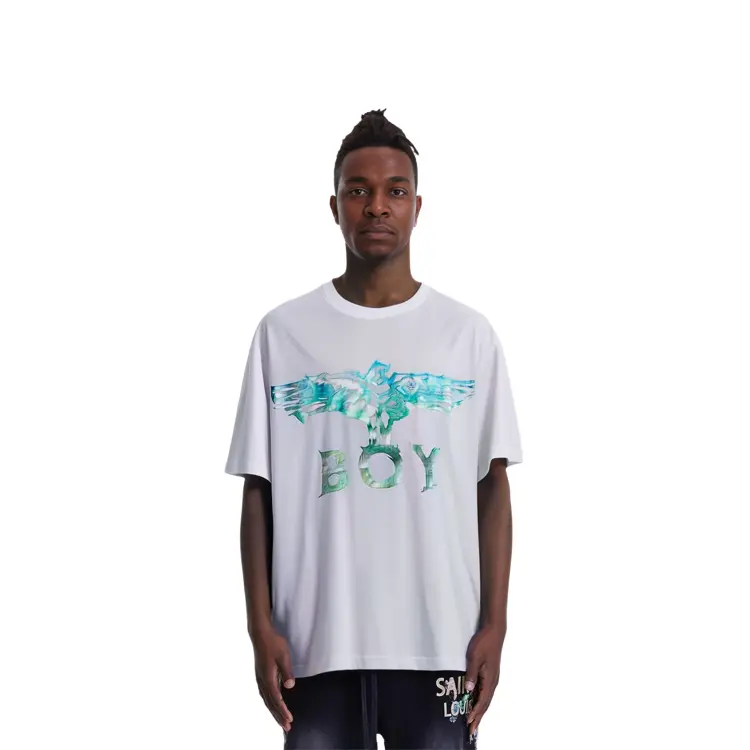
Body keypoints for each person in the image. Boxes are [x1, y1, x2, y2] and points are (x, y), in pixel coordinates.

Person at [225, 109, 523, 749]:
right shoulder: (283, 333)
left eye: (395, 190)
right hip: (315, 646)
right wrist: (259, 626)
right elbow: (258, 492)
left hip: (442, 643)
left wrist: (495, 625)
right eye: (358, 190)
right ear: (334, 207)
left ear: (418, 207)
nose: (377, 206)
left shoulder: (466, 335)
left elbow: (491, 486)